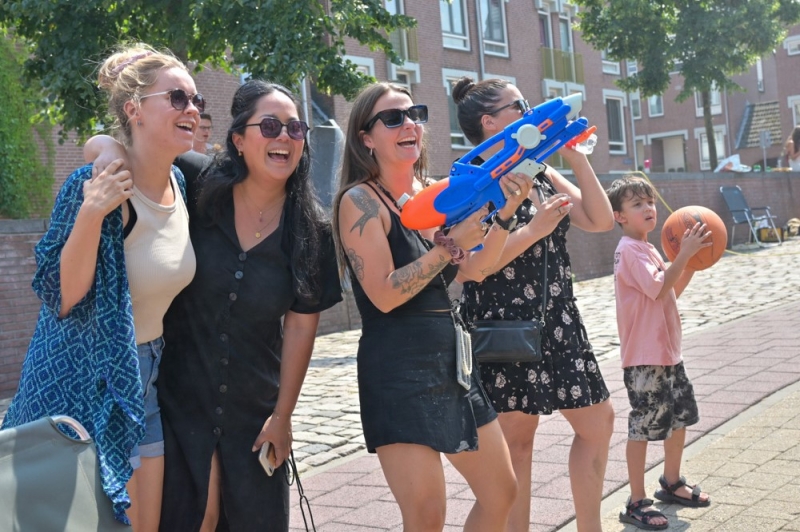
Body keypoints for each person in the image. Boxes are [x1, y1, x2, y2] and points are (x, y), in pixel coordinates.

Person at [87, 80, 342, 531]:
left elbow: (302, 327)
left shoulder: (312, 231)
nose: (285, 137)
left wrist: (282, 417)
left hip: (254, 411)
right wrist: (107, 151)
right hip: (179, 399)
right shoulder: (194, 181)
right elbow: (108, 143)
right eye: (270, 126)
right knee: (191, 518)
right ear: (239, 140)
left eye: (295, 128)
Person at [1, 44, 201, 529]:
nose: (192, 109)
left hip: (146, 374)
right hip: (89, 376)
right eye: (177, 98)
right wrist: (93, 210)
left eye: (196, 100)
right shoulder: (90, 183)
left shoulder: (179, 182)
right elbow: (62, 296)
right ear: (134, 109)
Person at [333, 82, 531, 531]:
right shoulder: (360, 201)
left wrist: (504, 215)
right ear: (366, 138)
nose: (409, 124)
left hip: (451, 359)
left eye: (415, 114)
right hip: (397, 365)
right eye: (393, 118)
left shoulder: (436, 193)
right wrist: (447, 248)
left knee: (501, 492)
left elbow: (475, 268)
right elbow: (384, 294)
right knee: (426, 516)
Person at [452, 76, 616, 532]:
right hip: (501, 324)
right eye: (519, 105)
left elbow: (600, 220)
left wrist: (576, 157)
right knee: (517, 445)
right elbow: (472, 267)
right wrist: (534, 229)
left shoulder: (539, 168)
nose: (531, 111)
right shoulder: (471, 179)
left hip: (558, 318)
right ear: (490, 122)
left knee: (598, 422)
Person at [607, 175, 711, 530]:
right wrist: (684, 254)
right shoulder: (628, 250)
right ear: (620, 216)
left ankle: (671, 481)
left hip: (668, 353)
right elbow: (658, 286)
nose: (648, 208)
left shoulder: (647, 248)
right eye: (637, 204)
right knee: (643, 426)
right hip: (644, 358)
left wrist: (691, 263)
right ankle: (636, 501)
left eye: (650, 201)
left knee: (679, 418)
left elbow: (668, 291)